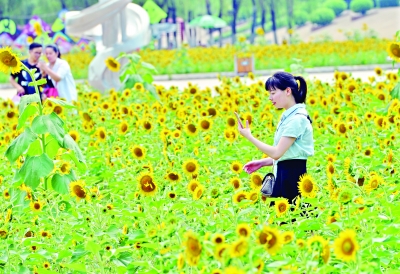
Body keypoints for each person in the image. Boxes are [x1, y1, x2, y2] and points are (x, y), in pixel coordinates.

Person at [236, 71, 314, 204]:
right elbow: (289, 155)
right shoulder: (289, 117)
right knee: (282, 220)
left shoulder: (296, 119)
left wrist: (250, 137)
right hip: (285, 174)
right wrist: (262, 162)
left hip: (292, 178)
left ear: (288, 91)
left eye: (273, 93)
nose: (270, 98)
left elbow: (278, 153)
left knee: (289, 220)